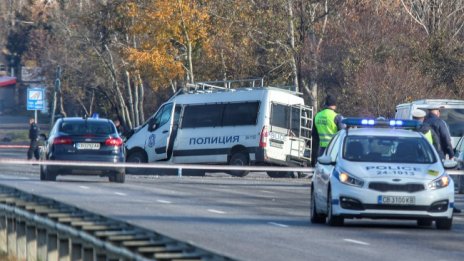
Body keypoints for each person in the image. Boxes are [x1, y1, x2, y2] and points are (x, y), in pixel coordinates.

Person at [423, 106, 460, 213]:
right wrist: (451, 154)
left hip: (423, 157)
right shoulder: (440, 122)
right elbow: (446, 138)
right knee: (441, 181)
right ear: (438, 112)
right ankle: (447, 204)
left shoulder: (423, 122)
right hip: (438, 157)